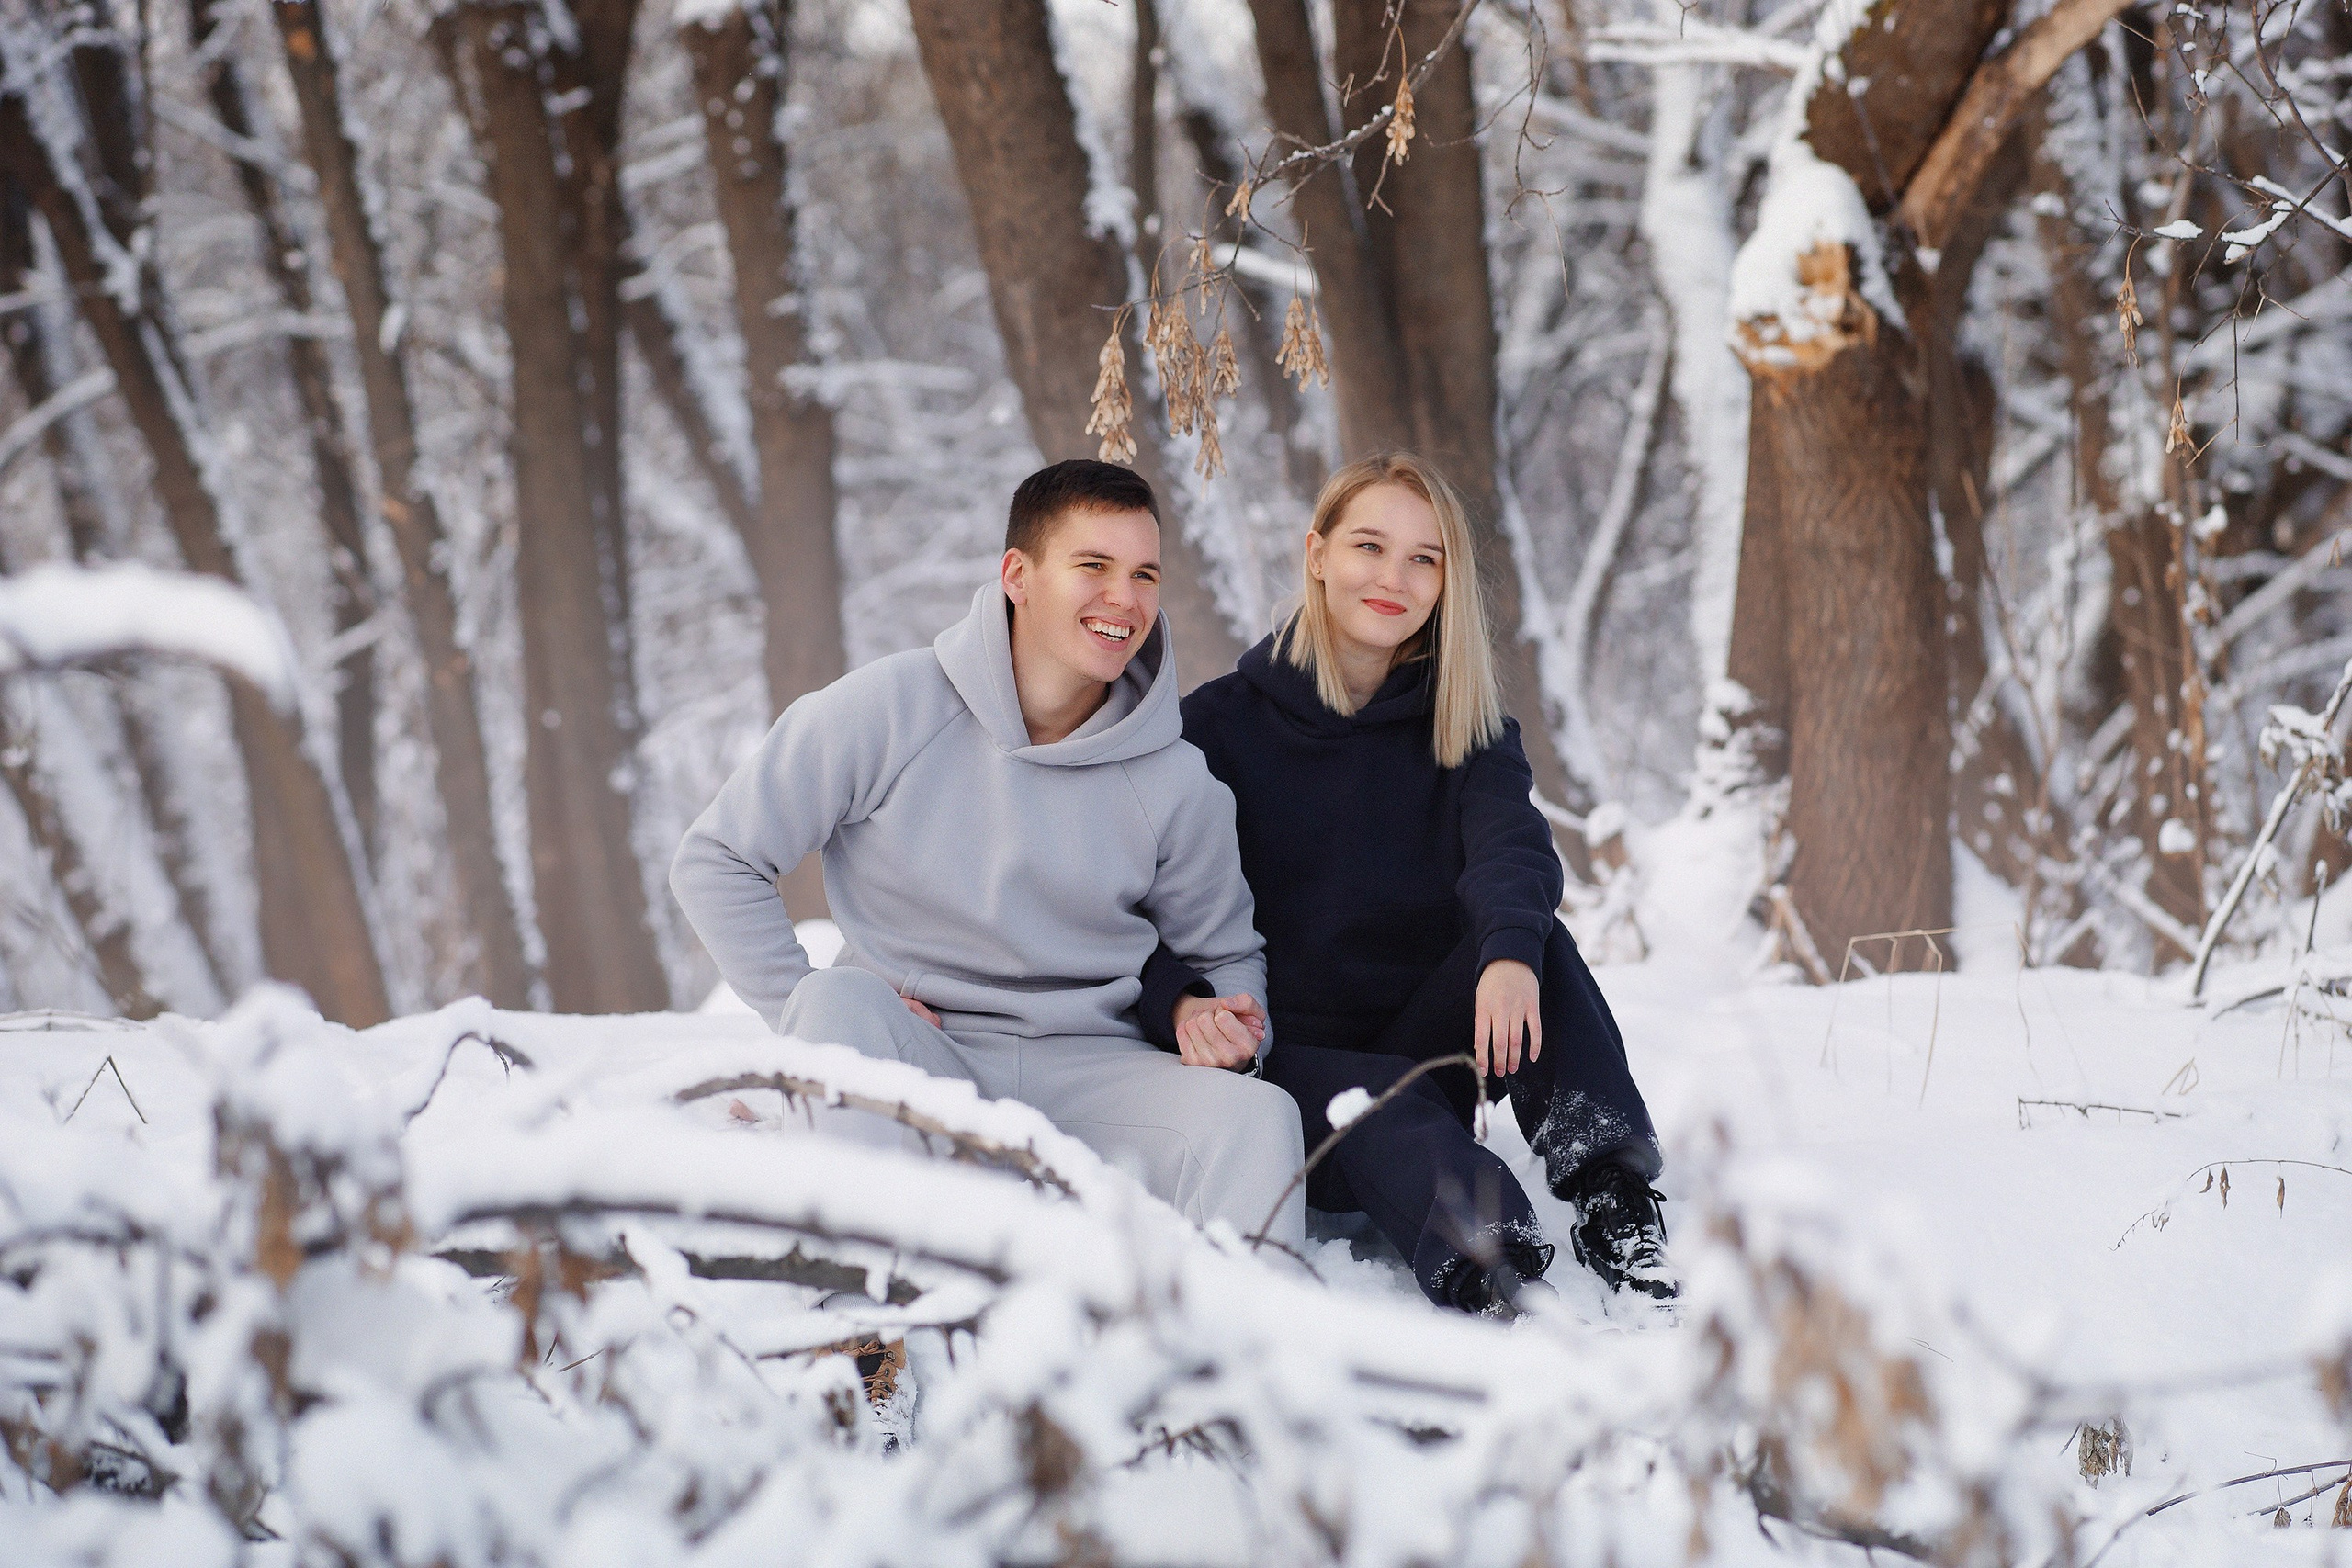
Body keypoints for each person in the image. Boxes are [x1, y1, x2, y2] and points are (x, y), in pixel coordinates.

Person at [671, 459, 1305, 1247]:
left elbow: (1230, 958)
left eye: (1145, 573)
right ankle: (865, 1339)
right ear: (1018, 575)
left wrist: (1228, 1029)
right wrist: (801, 1005)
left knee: (1260, 1115)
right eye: (1094, 566)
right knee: (838, 1002)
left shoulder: (1176, 781)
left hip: (1093, 1080)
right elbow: (717, 857)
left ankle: (1244, 1361)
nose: (1126, 598)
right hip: (922, 1062)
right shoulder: (888, 709)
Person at [1142, 452, 1673, 1314]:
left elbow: (1514, 847)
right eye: (1369, 547)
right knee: (1398, 1120)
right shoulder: (1215, 727)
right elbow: (1137, 899)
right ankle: (1492, 1264)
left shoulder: (1465, 722)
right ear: (1316, 554)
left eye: (1424, 558)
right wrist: (1179, 1002)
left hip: (1423, 1040)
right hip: (1283, 1062)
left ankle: (1611, 1188)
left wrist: (1507, 955)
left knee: (1530, 938)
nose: (1394, 578)